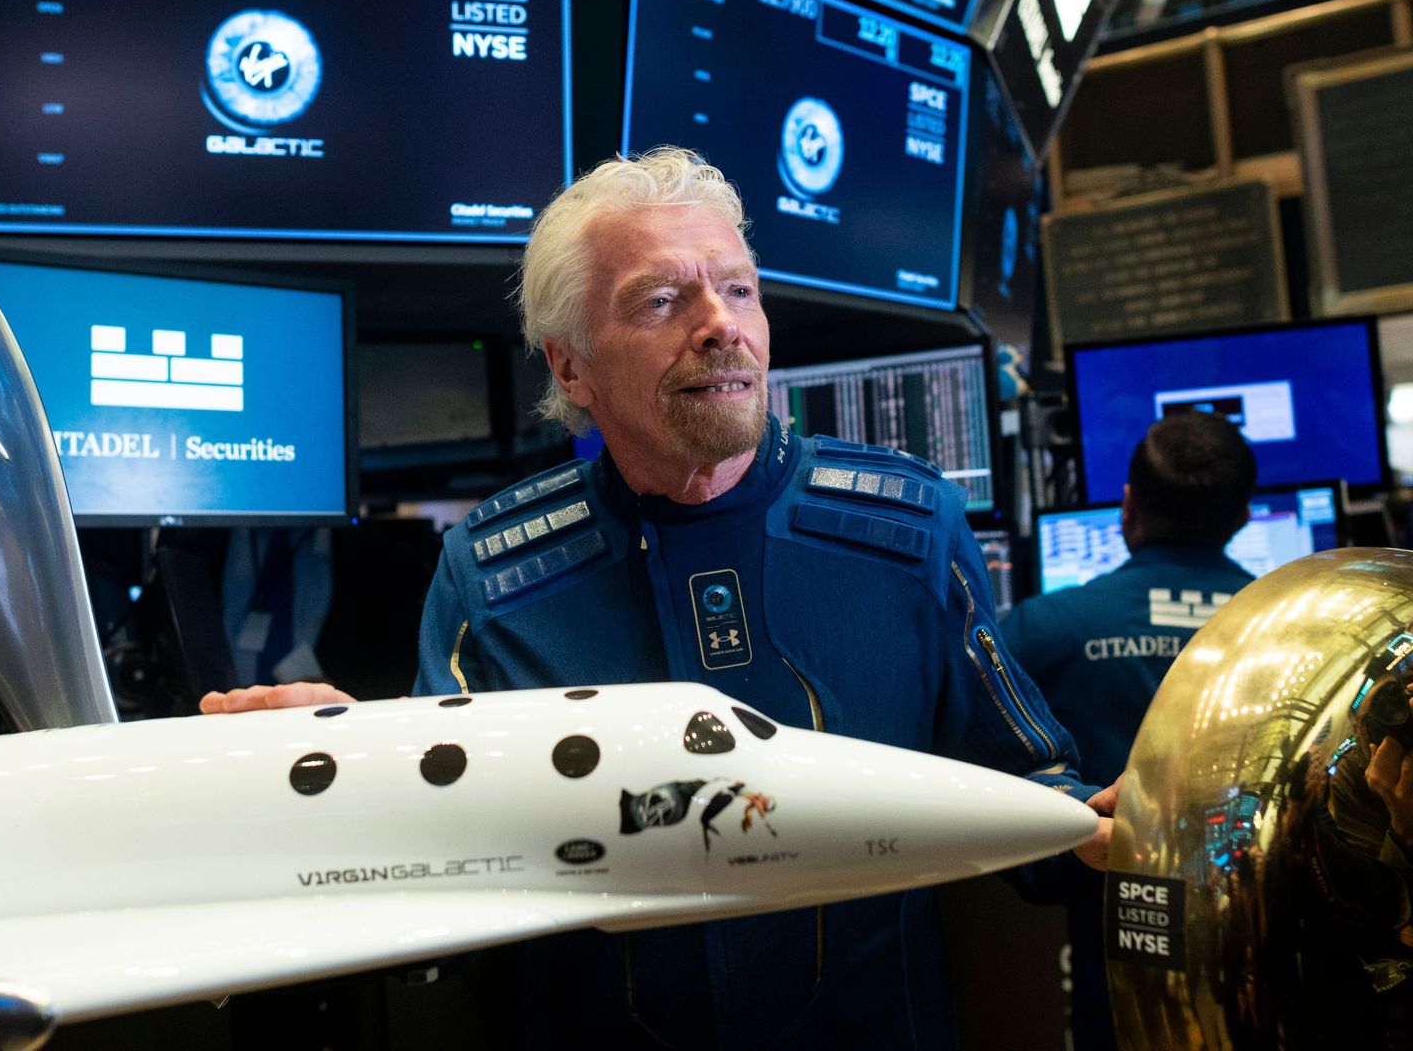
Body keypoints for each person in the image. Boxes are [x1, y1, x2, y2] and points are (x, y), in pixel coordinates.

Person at [203, 146, 1113, 1048]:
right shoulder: (491, 572)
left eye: (741, 290)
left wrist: (1114, 829)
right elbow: (438, 849)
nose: (723, 325)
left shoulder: (909, 528)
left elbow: (1029, 787)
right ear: (572, 370)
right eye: (663, 300)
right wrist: (332, 771)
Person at [999, 410, 1258, 1051]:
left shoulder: (1041, 629)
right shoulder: (1297, 634)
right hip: (1267, 945)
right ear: (1245, 516)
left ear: (1128, 506)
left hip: (1113, 954)